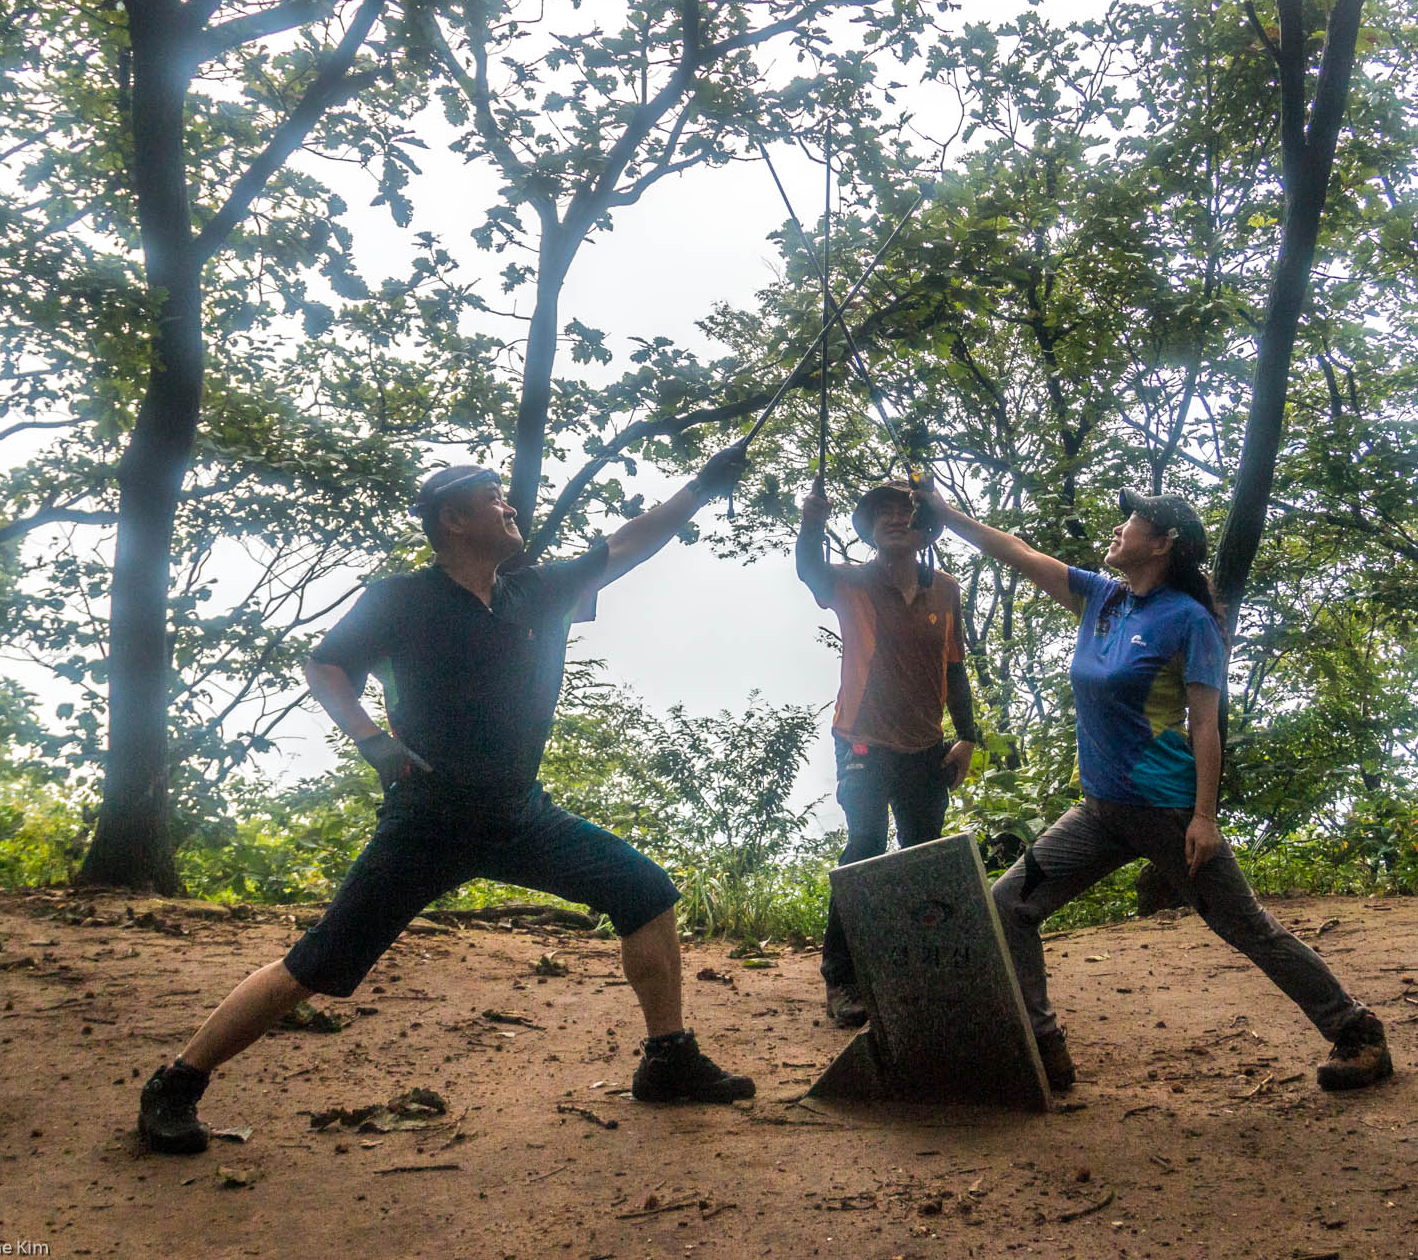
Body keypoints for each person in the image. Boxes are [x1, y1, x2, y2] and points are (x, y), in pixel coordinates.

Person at [136, 443, 758, 1154]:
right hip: (429, 820)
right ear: (455, 520)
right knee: (321, 962)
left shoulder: (533, 592)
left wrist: (701, 487)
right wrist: (373, 741)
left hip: (520, 813)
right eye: (495, 500)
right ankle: (176, 1083)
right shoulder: (402, 599)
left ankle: (668, 1060)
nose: (511, 508)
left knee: (645, 892)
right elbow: (326, 664)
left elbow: (627, 543)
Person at [917, 482, 1394, 1094]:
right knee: (1010, 905)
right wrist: (944, 513)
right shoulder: (1101, 597)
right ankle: (1044, 1048)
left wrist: (1205, 817)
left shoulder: (1189, 621)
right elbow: (1016, 550)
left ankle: (1357, 1031)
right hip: (1099, 813)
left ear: (1163, 544)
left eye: (1133, 521)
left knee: (1246, 927)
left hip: (1166, 812)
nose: (1118, 529)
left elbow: (1205, 726)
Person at [796, 477, 980, 1027]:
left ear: (926, 529)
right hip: (862, 740)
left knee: (922, 854)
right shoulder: (850, 581)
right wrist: (811, 522)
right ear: (869, 529)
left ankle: (916, 966)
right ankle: (842, 977)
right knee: (866, 844)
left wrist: (968, 736)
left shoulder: (946, 589)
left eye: (908, 512)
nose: (897, 519)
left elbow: (954, 668)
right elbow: (809, 570)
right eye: (884, 513)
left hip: (925, 745)